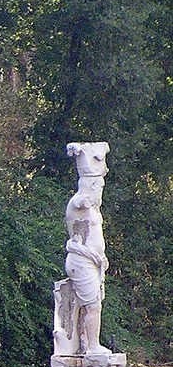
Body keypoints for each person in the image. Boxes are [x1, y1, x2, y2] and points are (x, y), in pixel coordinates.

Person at [62, 142, 110, 355]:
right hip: (81, 262)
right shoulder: (79, 202)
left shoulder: (94, 208)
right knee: (92, 306)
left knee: (93, 305)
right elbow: (80, 202)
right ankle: (92, 346)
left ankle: (87, 344)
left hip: (92, 262)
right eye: (98, 187)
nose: (100, 191)